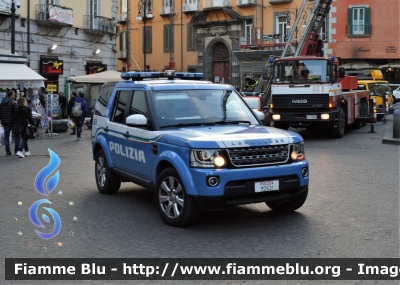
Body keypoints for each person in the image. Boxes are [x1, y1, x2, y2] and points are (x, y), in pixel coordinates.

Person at [0, 90, 20, 156]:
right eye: (14, 94)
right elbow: (16, 113)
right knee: (17, 136)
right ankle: (16, 150)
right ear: (11, 95)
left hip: (5, 122)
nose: (14, 95)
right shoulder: (14, 103)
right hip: (13, 122)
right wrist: (15, 121)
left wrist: (2, 120)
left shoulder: (2, 103)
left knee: (6, 136)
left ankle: (7, 151)